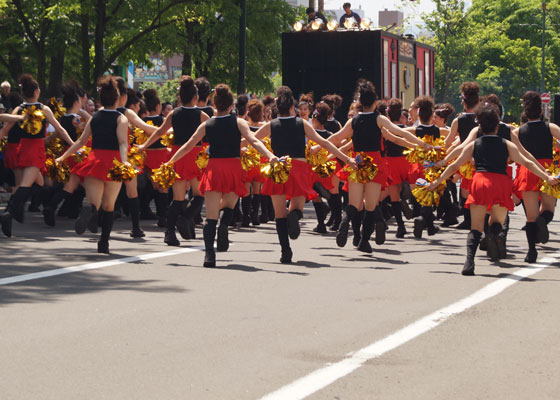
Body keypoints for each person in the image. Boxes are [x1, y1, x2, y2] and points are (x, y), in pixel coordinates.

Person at [427, 103, 558, 275]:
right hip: (500, 184)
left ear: (479, 125)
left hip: (480, 182)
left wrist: (436, 181)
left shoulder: (474, 144)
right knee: (497, 222)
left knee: (475, 228)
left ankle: (469, 262)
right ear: (498, 124)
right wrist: (547, 176)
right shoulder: (507, 145)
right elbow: (527, 161)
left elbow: (455, 165)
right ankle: (493, 234)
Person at [166, 84, 279, 268]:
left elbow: (187, 146)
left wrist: (171, 161)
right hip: (233, 168)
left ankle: (209, 254)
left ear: (215, 103)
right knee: (229, 206)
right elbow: (254, 140)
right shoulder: (239, 122)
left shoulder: (207, 124)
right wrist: (271, 156)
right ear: (230, 105)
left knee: (210, 216)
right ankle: (224, 227)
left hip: (213, 169)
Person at [255, 86, 357, 263]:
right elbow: (324, 142)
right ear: (293, 108)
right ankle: (294, 216)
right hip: (299, 168)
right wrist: (346, 159)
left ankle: (285, 251)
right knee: (297, 206)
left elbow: (251, 139)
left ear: (277, 108)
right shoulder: (302, 123)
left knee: (279, 213)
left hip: (278, 166)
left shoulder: (271, 125)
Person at [328, 80, 429, 253]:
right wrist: (423, 144)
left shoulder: (353, 121)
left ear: (360, 102)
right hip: (375, 164)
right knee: (371, 206)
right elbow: (400, 133)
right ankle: (364, 241)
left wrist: (317, 148)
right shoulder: (379, 119)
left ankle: (345, 221)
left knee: (353, 204)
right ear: (375, 102)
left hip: (357, 162)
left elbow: (335, 139)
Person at [56, 76, 129, 253]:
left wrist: (63, 157)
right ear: (117, 99)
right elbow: (122, 142)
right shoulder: (121, 119)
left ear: (100, 99)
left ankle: (89, 210)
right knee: (109, 205)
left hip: (94, 161)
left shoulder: (94, 117)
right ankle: (104, 243)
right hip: (113, 163)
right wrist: (125, 161)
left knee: (93, 203)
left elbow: (81, 141)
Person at [138, 76, 209, 246]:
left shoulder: (173, 113)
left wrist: (144, 145)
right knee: (199, 195)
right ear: (195, 97)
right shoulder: (201, 115)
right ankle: (185, 218)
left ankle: (169, 233)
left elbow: (159, 132)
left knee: (177, 198)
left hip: (177, 155)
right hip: (196, 155)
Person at [0, 74, 74, 238]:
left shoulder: (18, 109)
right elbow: (59, 129)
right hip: (35, 149)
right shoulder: (43, 108)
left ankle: (13, 213)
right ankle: (8, 214)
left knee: (36, 184)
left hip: (21, 148)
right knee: (27, 185)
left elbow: (5, 130)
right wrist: (72, 143)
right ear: (36, 91)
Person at [512, 91, 560, 263]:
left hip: (528, 171)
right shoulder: (551, 127)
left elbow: (512, 154)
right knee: (548, 209)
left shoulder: (518, 132)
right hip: (546, 170)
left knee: (530, 216)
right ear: (542, 111)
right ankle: (542, 222)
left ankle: (531, 251)